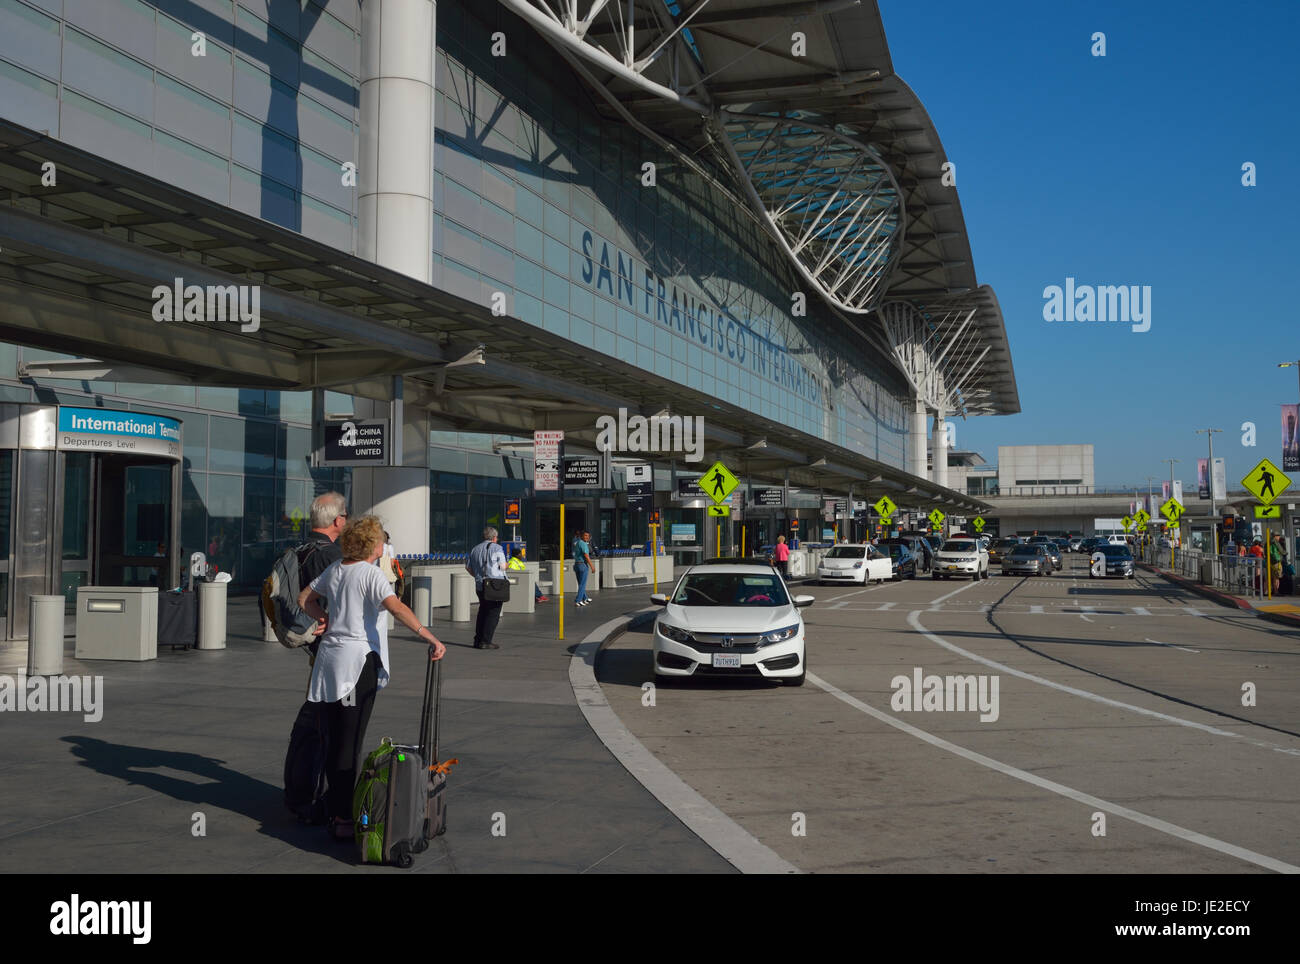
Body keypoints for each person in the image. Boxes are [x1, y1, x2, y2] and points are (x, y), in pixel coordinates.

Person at [297, 514, 445, 840]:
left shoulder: (335, 570)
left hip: (328, 663)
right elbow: (396, 608)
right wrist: (429, 636)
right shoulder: (370, 574)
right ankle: (343, 817)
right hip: (355, 665)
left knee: (335, 737)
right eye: (380, 540)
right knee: (350, 742)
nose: (383, 545)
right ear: (373, 545)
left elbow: (303, 597)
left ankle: (334, 807)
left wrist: (324, 617)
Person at [466, 526, 507, 649]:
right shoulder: (497, 548)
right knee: (493, 613)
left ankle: (477, 640)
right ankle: (486, 641)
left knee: (483, 611)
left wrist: (478, 577)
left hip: (480, 585)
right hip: (495, 585)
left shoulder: (475, 549)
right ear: (494, 537)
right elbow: (503, 566)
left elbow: (468, 567)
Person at [573, 529, 594, 607]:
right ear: (581, 536)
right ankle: (578, 600)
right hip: (582, 565)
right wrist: (592, 566)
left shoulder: (577, 543)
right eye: (585, 535)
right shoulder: (584, 544)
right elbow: (586, 556)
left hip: (576, 565)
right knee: (582, 584)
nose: (587, 537)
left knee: (580, 583)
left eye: (588, 536)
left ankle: (585, 598)